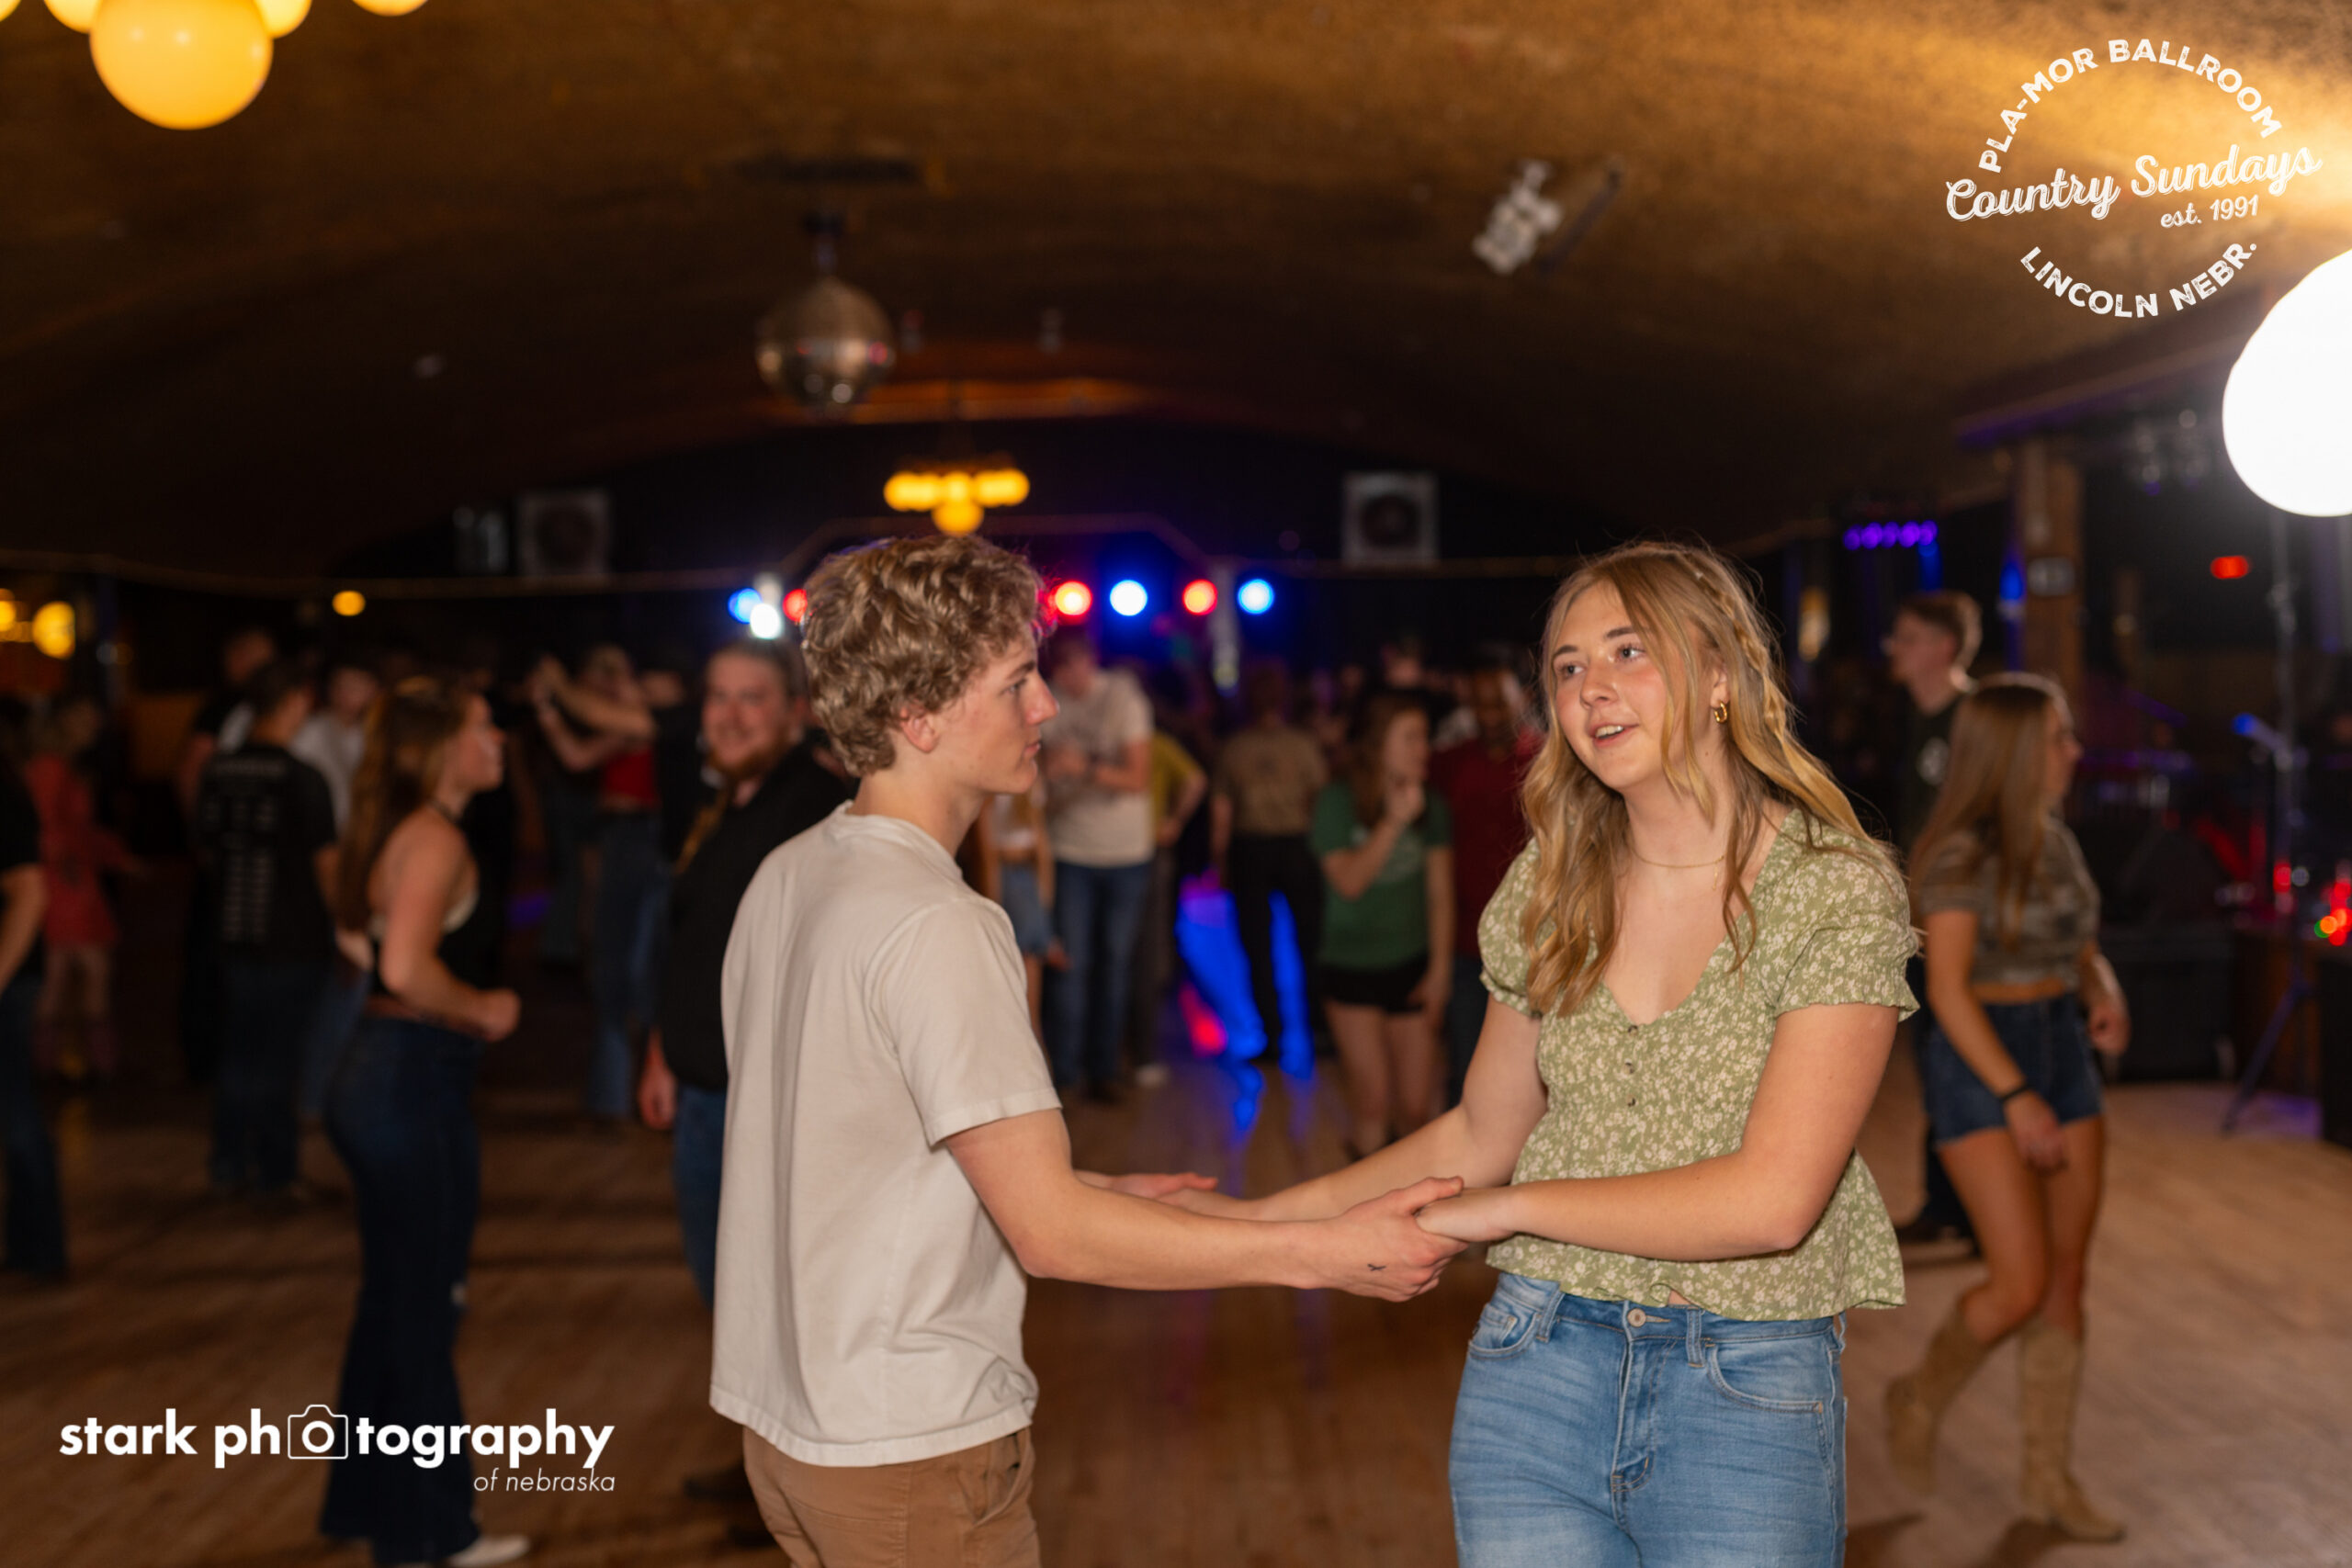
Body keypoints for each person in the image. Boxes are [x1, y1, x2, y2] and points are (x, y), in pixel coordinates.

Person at [715, 534, 1467, 1568]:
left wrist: (1094, 1189)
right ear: (918, 714)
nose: (1045, 708)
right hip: (907, 1450)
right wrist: (1317, 1257)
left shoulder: (790, 873)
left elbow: (849, 1154)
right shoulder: (938, 921)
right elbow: (1053, 1237)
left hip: (792, 1432)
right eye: (1015, 682)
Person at [1179, 540, 1917, 1565]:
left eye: (1627, 650)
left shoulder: (1830, 888)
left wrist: (1510, 1207)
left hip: (1745, 1383)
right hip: (1537, 1362)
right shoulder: (1552, 882)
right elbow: (1481, 1133)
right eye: (1568, 666)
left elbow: (1773, 1200)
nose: (1591, 687)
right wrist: (1263, 1222)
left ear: (1719, 674)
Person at [1883, 673, 2131, 1543]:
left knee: (2066, 1277)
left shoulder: (2054, 837)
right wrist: (2015, 1094)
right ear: (2019, 750)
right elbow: (1948, 990)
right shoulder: (1956, 853)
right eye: (2060, 737)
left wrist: (2101, 989)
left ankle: (2048, 1478)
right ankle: (1918, 1395)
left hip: (2062, 1048)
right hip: (1982, 1056)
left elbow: (2080, 943)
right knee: (2019, 1282)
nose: (2074, 750)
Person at [318, 677, 526, 1568]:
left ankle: (370, 1507)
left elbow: (359, 941)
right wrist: (483, 1007)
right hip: (410, 1080)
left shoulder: (395, 829)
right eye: (483, 728)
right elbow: (403, 967)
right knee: (423, 1313)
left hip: (375, 1076)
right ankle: (428, 1533)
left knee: (391, 1303)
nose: (499, 739)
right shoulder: (436, 836)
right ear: (442, 745)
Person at [192, 661, 339, 1201]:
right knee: (279, 1058)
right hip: (293, 936)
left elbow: (206, 849)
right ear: (295, 701)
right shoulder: (302, 778)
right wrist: (346, 930)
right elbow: (326, 865)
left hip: (234, 932)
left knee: (240, 1050)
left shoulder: (218, 771)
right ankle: (277, 1171)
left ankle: (229, 1161)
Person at [1312, 693, 1453, 1156]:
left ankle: (1416, 1197)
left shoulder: (1431, 805)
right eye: (1410, 737)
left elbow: (1440, 895)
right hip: (1351, 968)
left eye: (1425, 737)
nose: (1423, 749)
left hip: (1411, 966)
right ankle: (1367, 1193)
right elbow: (1349, 883)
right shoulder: (1336, 801)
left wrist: (1440, 973)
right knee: (1372, 1103)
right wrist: (1392, 823)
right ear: (1378, 744)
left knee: (1416, 1108)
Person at [531, 646, 666, 1123]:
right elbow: (576, 756)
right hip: (618, 837)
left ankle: (632, 1091)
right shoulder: (625, 723)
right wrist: (547, 711)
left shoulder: (643, 715)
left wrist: (557, 682)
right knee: (614, 960)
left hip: (641, 837)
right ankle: (613, 1095)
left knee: (630, 963)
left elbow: (589, 713)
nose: (606, 685)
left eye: (613, 674)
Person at [1884, 592, 1982, 1249]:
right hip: (1923, 918)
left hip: (1959, 921)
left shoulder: (1972, 719)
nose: (1895, 647)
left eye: (1910, 637)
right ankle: (1946, 1202)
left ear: (1945, 647)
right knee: (1936, 1061)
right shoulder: (1919, 719)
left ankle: (1981, 1210)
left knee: (1959, 1059)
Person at [1039, 628, 1155, 1101]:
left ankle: (1104, 1070)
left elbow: (1138, 777)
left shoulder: (1123, 697)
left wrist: (1083, 767)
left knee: (1114, 964)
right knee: (1071, 964)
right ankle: (1066, 1076)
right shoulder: (1046, 701)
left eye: (1076, 664)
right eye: (1061, 667)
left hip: (1126, 852)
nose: (1069, 676)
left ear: (1090, 660)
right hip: (1070, 850)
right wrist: (1047, 770)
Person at [1430, 650, 1538, 1106]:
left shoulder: (1550, 760)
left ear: (1524, 697)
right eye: (1478, 704)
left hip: (1535, 945)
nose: (1488, 714)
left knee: (1533, 1077)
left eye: (1498, 702)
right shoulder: (1449, 764)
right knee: (1466, 1071)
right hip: (1466, 943)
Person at [1211, 660, 1329, 1065]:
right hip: (1295, 845)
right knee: (1309, 943)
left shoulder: (1235, 747)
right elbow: (1318, 801)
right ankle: (1320, 1032)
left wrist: (1220, 860)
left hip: (1252, 848)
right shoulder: (1301, 744)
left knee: (1258, 947)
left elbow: (1223, 812)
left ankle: (1273, 1036)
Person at [25, 694, 134, 1082]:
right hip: (64, 884)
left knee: (65, 973)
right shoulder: (50, 766)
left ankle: (57, 1065)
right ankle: (87, 1065)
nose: (95, 726)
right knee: (82, 970)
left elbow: (76, 828)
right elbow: (45, 827)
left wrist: (113, 855)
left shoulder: (63, 765)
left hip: (71, 880)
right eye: (86, 717)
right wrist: (68, 864)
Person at [0, 744, 63, 1280]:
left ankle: (40, 1249)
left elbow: (30, 893)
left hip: (8, 980)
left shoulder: (3, 793)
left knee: (15, 1109)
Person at [1128, 676, 1206, 1084]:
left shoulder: (1153, 743)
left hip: (1146, 850)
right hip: (1138, 851)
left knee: (1141, 946)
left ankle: (1135, 1046)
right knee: (1144, 946)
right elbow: (1195, 780)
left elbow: (1195, 780)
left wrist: (1172, 822)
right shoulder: (1153, 742)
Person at [978, 780, 1058, 1043]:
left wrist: (1045, 901)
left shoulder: (1030, 785)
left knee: (1029, 956)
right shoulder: (991, 786)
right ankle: (1027, 1033)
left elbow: (1041, 844)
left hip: (1025, 875)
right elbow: (987, 850)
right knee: (1013, 958)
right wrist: (993, 900)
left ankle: (1031, 1032)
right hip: (1002, 874)